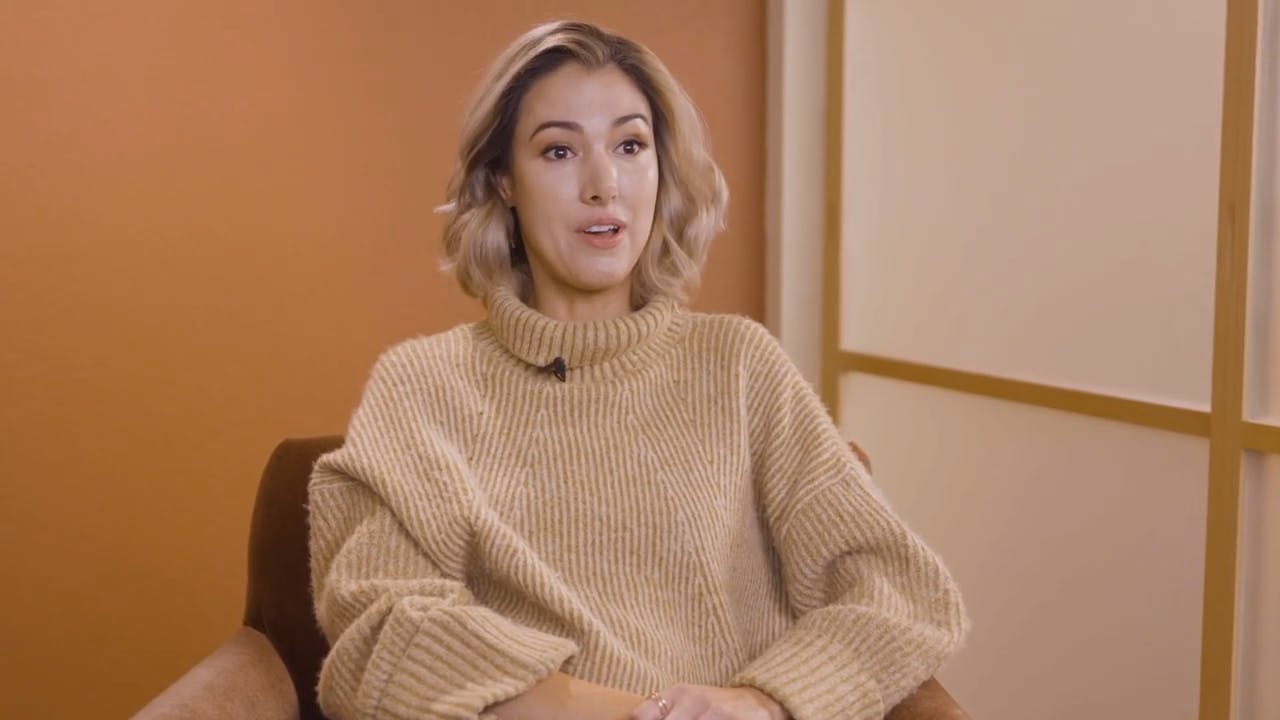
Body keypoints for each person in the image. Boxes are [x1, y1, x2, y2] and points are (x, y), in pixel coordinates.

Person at [307, 20, 967, 720]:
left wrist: (763, 701)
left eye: (630, 146)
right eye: (559, 151)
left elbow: (901, 592)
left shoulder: (739, 366)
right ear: (503, 181)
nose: (604, 185)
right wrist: (628, 710)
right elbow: (382, 631)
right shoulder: (423, 385)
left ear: (662, 167)